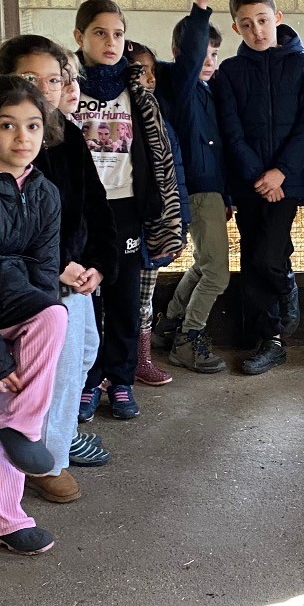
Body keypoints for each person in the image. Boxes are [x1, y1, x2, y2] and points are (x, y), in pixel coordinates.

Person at [0, 75, 68, 555]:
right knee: (51, 320)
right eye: (7, 125)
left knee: (6, 403)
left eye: (32, 125)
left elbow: (45, 273)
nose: (21, 137)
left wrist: (18, 345)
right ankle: (19, 427)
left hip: (11, 308)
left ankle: (0, 520)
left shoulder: (45, 192)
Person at [71, 0, 183, 420]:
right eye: (100, 33)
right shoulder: (68, 87)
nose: (111, 42)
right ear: (80, 36)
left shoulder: (137, 91)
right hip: (80, 210)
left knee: (123, 299)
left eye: (118, 34)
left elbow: (157, 155)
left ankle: (120, 380)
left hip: (125, 208)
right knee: (85, 297)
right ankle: (88, 380)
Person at [213, 0, 304, 374]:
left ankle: (287, 284)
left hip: (287, 183)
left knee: (268, 255)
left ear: (277, 18)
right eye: (246, 24)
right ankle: (269, 340)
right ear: (235, 28)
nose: (257, 30)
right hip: (250, 183)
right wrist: (258, 176)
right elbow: (231, 131)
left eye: (262, 20)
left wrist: (280, 173)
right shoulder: (230, 72)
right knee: (252, 256)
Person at [151, 0, 231, 374]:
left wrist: (226, 195)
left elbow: (218, 150)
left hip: (212, 191)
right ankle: (188, 338)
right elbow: (191, 50)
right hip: (198, 191)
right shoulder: (181, 88)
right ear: (181, 54)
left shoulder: (206, 92)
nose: (209, 61)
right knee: (217, 274)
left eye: (215, 54)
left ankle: (167, 325)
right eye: (202, 53)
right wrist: (201, 3)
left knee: (203, 263)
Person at [125, 39, 191, 386]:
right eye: (141, 71)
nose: (149, 78)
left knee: (144, 297)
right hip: (125, 222)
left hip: (157, 225)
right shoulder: (119, 116)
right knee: (115, 298)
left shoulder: (160, 117)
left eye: (152, 70)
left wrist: (180, 224)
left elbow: (174, 173)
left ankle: (143, 360)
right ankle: (111, 365)